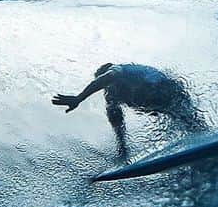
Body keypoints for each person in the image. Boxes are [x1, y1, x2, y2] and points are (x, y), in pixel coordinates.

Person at [52, 62, 206, 163]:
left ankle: (203, 134)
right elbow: (116, 120)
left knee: (185, 117)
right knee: (112, 106)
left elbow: (106, 79)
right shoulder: (112, 95)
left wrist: (79, 98)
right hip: (159, 102)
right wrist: (122, 147)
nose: (107, 88)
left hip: (168, 89)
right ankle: (199, 137)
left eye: (106, 83)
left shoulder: (118, 70)